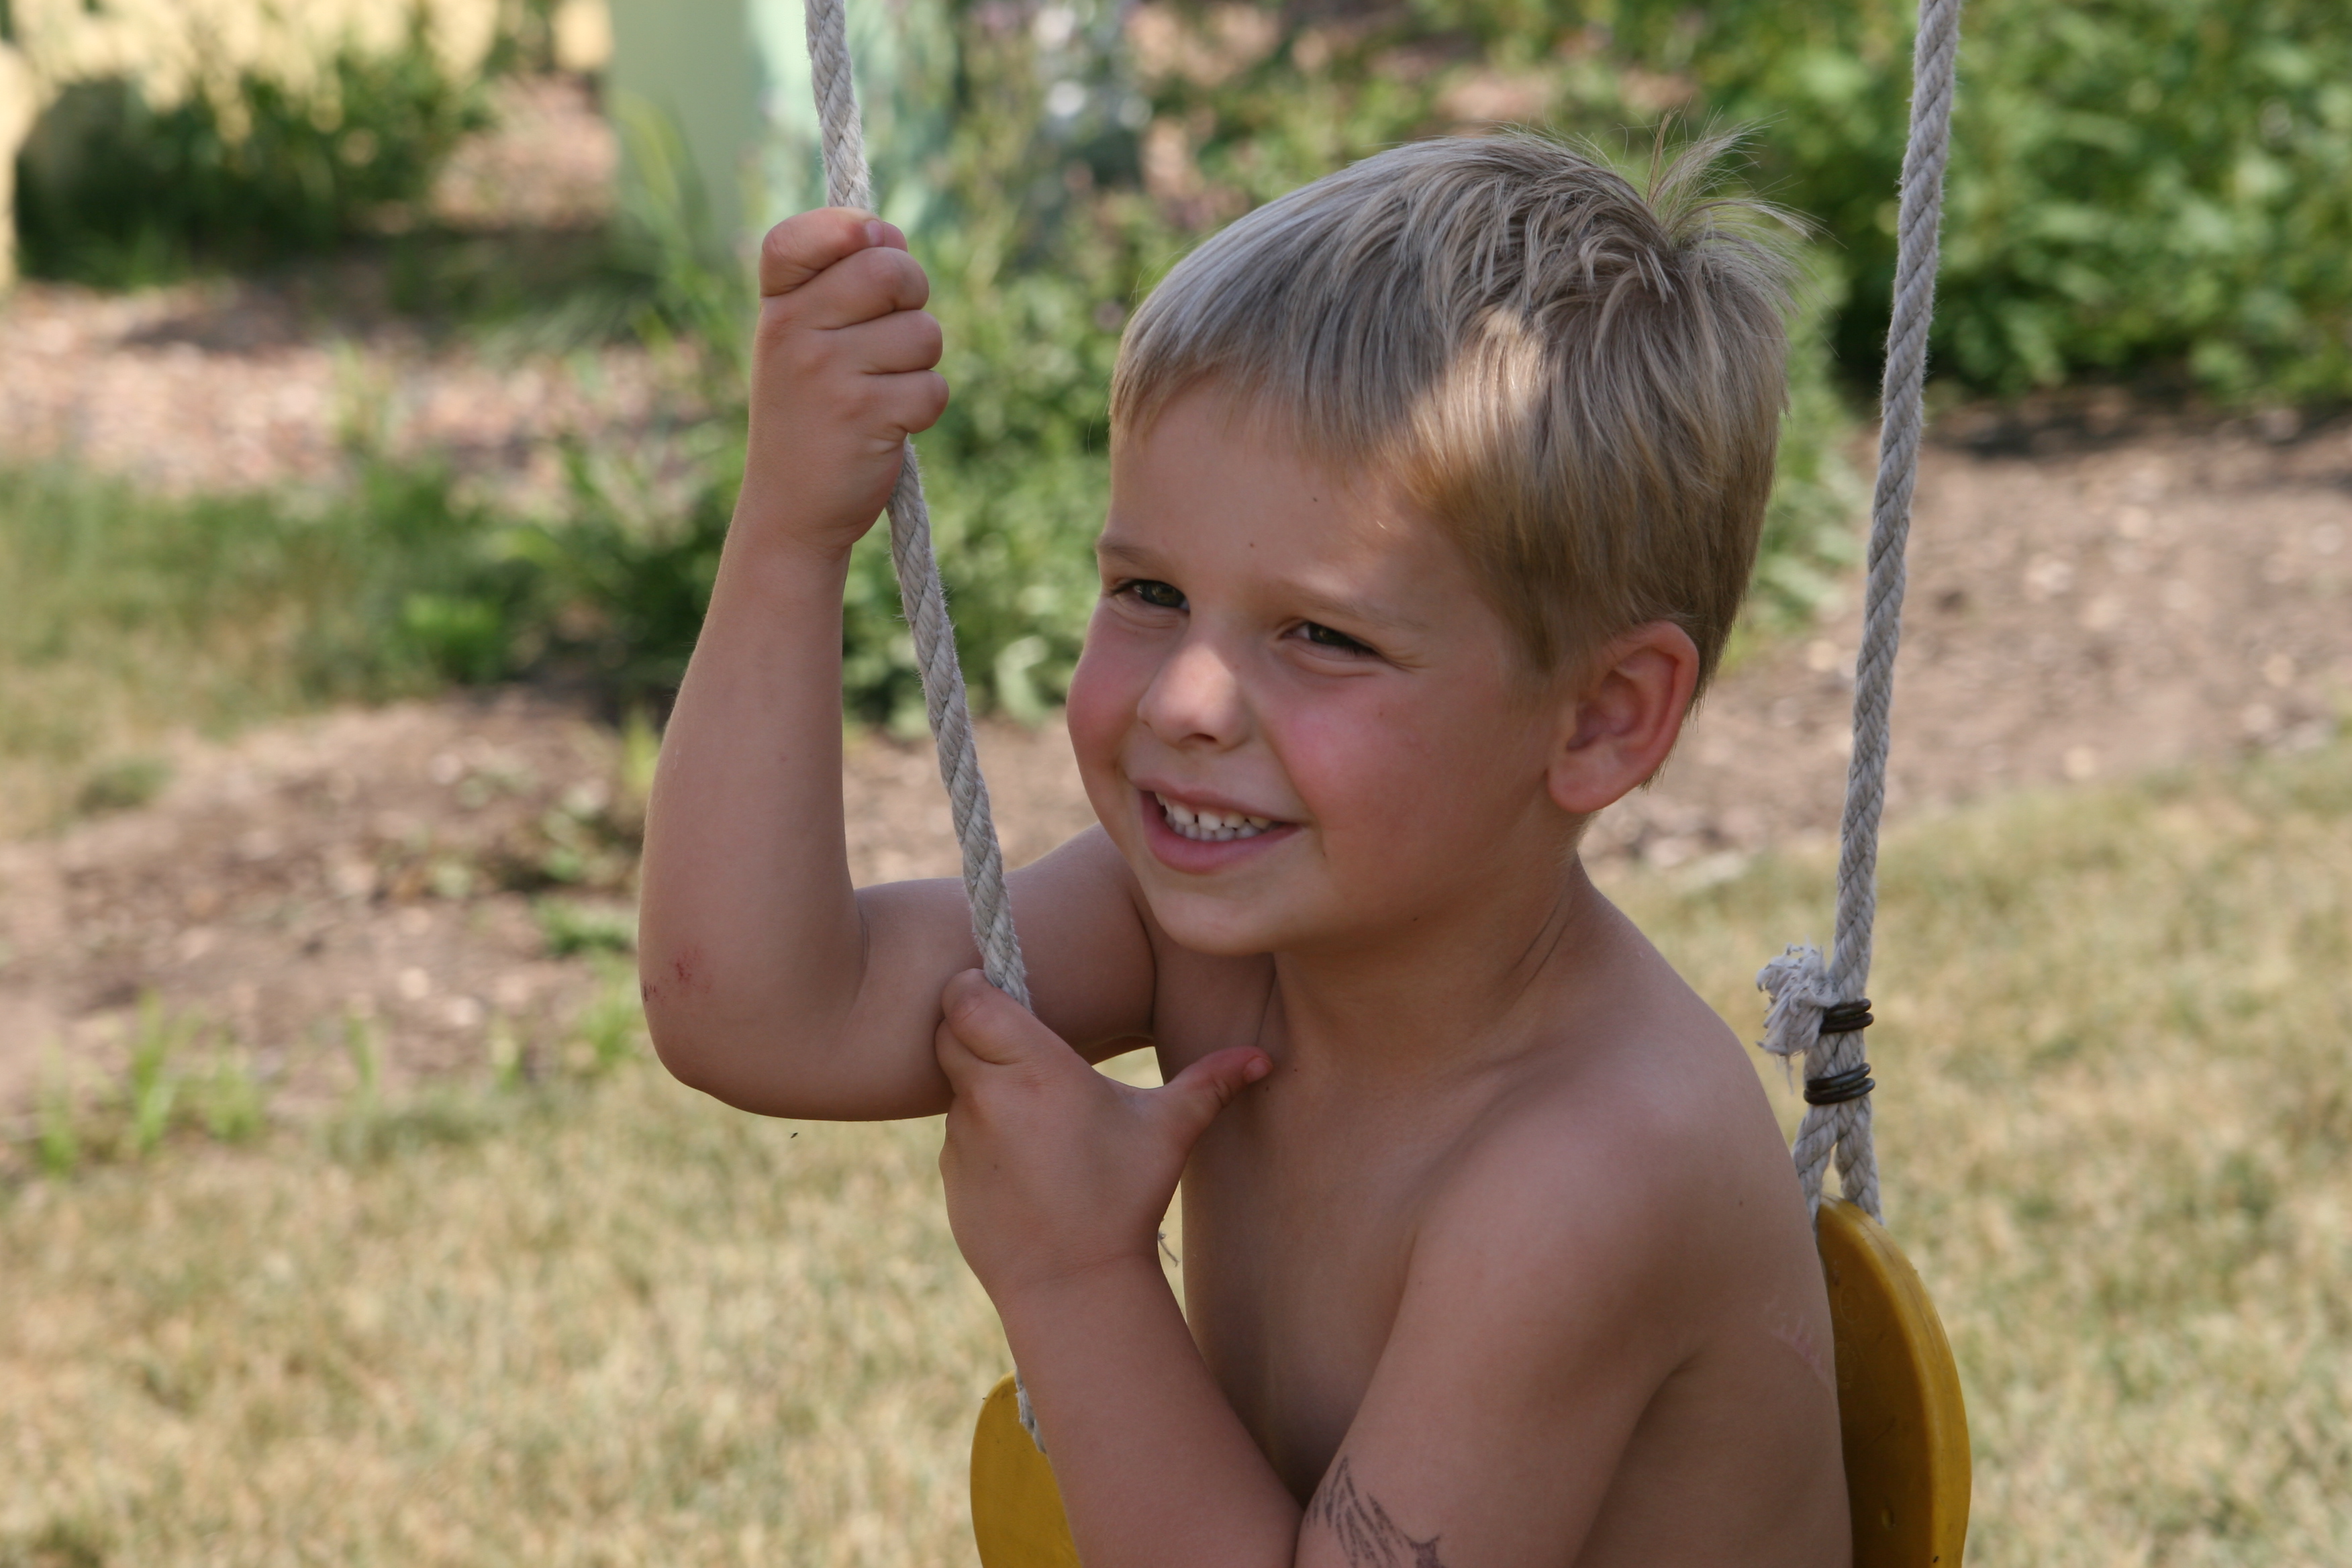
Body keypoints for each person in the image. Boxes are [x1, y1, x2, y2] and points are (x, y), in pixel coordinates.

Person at [638, 131, 1849, 1567]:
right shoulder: (1216, 940)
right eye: (1148, 592)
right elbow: (757, 1010)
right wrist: (790, 528)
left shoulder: (1585, 1174)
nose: (1187, 701)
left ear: (1601, 717)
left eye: (1321, 634)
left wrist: (1074, 1272)